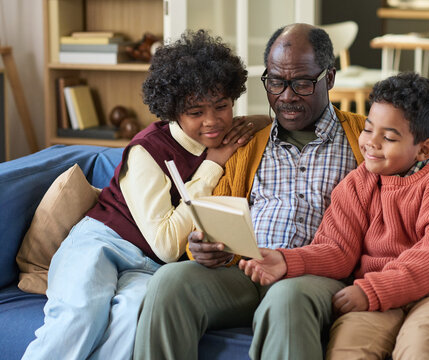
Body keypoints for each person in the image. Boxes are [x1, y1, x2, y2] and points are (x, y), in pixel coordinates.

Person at [133, 23, 429, 360]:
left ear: (329, 77)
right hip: (245, 267)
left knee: (287, 297)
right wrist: (200, 246)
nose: (287, 96)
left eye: (302, 83)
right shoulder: (246, 141)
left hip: (317, 276)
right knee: (170, 283)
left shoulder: (372, 136)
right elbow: (213, 212)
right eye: (276, 82)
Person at [22, 29, 269, 360]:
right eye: (196, 112)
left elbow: (272, 122)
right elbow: (167, 245)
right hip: (102, 243)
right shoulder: (147, 151)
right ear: (172, 111)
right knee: (81, 313)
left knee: (133, 317)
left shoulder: (228, 134)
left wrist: (254, 122)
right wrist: (212, 166)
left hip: (147, 269)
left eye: (221, 106)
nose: (212, 121)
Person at [240, 72, 429, 359]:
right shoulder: (356, 184)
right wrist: (286, 260)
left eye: (389, 137)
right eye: (368, 129)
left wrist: (373, 290)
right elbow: (338, 250)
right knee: (348, 350)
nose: (371, 143)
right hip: (377, 298)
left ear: (424, 149)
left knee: (420, 345)